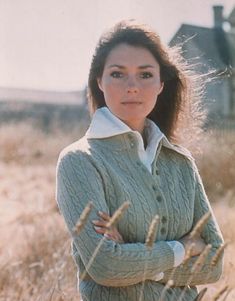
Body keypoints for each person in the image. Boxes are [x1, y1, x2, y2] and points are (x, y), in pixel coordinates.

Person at [56, 20, 224, 301]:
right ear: (99, 81)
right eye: (118, 74)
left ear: (161, 84)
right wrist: (182, 249)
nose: (132, 86)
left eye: (145, 75)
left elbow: (214, 263)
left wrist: (134, 258)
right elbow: (106, 266)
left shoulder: (181, 162)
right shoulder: (79, 161)